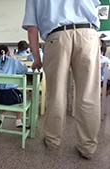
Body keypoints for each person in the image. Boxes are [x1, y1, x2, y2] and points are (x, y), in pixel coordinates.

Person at [22, 0, 101, 159]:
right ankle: (88, 148)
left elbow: (32, 29)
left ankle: (53, 141)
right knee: (89, 95)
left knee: (56, 93)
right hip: (88, 34)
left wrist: (37, 58)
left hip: (56, 36)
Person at [0, 45, 28, 127]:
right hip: (11, 96)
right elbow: (24, 70)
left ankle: (1, 117)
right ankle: (18, 120)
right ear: (7, 52)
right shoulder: (13, 61)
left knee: (3, 98)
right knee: (22, 98)